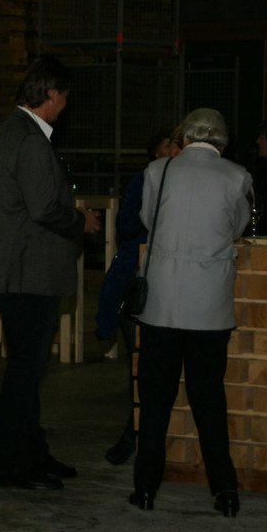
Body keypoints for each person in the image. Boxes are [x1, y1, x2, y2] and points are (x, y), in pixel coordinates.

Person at [0, 55, 101, 490]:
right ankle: (13, 463)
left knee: (27, 371)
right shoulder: (30, 139)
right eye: (64, 98)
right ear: (50, 95)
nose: (65, 106)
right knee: (24, 373)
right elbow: (43, 208)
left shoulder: (6, 131)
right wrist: (80, 221)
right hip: (29, 271)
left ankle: (31, 451)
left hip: (16, 269)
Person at [131, 108, 251, 516]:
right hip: (209, 307)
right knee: (209, 399)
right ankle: (225, 491)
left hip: (161, 303)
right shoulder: (237, 176)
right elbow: (237, 227)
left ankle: (145, 488)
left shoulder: (158, 170)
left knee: (155, 400)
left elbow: (149, 219)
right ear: (222, 140)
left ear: (184, 136)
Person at [95, 128, 180, 465]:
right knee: (140, 363)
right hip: (140, 280)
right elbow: (127, 225)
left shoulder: (192, 181)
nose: (175, 149)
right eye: (168, 145)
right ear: (155, 153)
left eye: (179, 144)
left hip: (178, 281)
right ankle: (134, 432)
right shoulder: (143, 181)